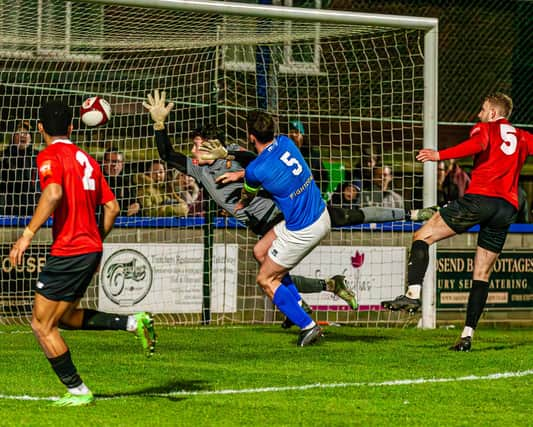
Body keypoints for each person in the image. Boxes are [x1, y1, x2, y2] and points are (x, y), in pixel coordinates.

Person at [143, 90, 362, 319]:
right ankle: (325, 289)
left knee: (267, 272)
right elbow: (168, 155)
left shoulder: (235, 153)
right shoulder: (199, 169)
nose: (193, 151)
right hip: (260, 226)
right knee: (271, 271)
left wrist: (228, 156)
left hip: (279, 218)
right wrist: (159, 124)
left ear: (213, 145)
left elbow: (257, 161)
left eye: (198, 145)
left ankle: (302, 311)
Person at [9, 99, 157, 407]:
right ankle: (132, 322)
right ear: (72, 127)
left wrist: (26, 235)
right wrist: (96, 237)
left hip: (70, 249)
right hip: (90, 247)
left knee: (41, 324)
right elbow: (113, 207)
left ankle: (77, 389)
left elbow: (53, 193)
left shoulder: (49, 155)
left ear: (40, 128)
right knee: (67, 317)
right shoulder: (87, 159)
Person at [381, 92, 533, 352]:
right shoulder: (523, 137)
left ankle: (413, 294)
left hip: (480, 200)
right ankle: (467, 335)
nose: (479, 113)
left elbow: (476, 146)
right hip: (507, 208)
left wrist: (439, 155)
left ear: (494, 113)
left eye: (483, 109)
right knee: (482, 273)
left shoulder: (486, 128)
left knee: (422, 236)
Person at [238, 110, 331, 346]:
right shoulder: (287, 143)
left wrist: (240, 201)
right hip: (320, 213)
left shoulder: (255, 171)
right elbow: (269, 163)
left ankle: (308, 326)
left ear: (251, 137)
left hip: (303, 228)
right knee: (260, 251)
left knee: (266, 279)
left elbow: (248, 192)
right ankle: (297, 304)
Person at [0, 120, 39, 216]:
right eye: (19, 133)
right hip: (7, 209)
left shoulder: (39, 157)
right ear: (13, 137)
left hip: (33, 209)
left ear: (31, 138)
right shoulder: (3, 157)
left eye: (26, 133)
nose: (23, 135)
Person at [288, 119, 329, 195]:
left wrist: (316, 195)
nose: (293, 136)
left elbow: (324, 178)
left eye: (297, 133)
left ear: (302, 135)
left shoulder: (313, 155)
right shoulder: (283, 153)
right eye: (291, 133)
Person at [101, 147, 140, 216]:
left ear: (122, 164)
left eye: (118, 162)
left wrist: (137, 205)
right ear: (104, 162)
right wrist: (124, 212)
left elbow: (134, 202)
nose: (114, 165)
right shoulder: (97, 180)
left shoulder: (127, 181)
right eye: (111, 161)